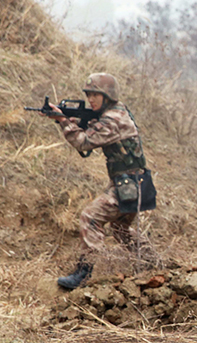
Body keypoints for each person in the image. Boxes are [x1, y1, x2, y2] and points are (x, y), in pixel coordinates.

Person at [47, 73, 156, 290]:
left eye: (96, 95)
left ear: (107, 96)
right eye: (89, 95)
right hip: (134, 184)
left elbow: (84, 141)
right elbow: (92, 129)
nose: (91, 100)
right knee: (120, 228)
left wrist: (63, 121)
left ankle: (84, 274)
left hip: (129, 186)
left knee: (90, 217)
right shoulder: (115, 113)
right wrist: (71, 119)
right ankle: (153, 264)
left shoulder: (113, 119)